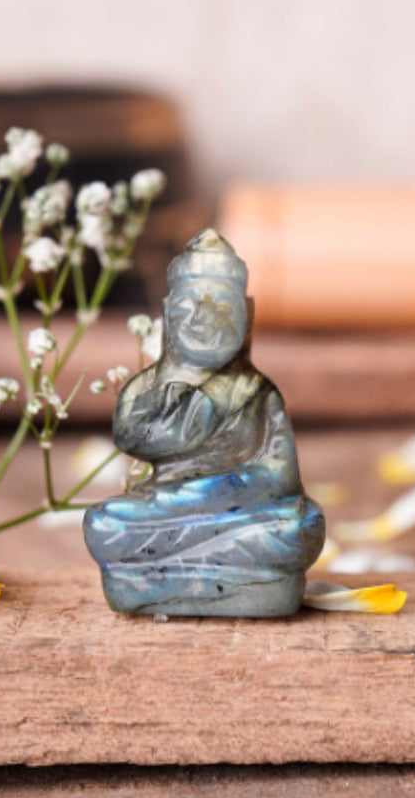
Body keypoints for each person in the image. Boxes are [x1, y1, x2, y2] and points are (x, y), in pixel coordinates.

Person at [83, 228, 325, 616]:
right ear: (166, 313)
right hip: (156, 511)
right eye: (189, 305)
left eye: (223, 307)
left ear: (247, 314)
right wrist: (170, 432)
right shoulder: (146, 387)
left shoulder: (257, 391)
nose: (205, 318)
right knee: (106, 523)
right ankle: (155, 580)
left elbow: (280, 476)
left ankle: (223, 582)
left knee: (298, 525)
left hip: (240, 514)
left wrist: (199, 494)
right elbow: (128, 437)